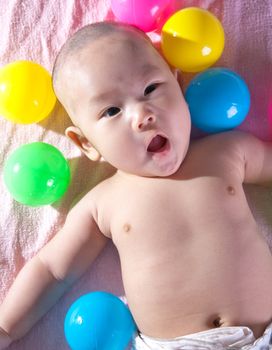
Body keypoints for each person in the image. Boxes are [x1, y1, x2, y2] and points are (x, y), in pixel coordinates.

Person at [0, 21, 272, 350]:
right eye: (112, 110)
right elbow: (52, 270)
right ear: (86, 143)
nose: (142, 114)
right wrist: (6, 328)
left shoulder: (229, 152)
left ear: (178, 85)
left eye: (151, 89)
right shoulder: (103, 204)